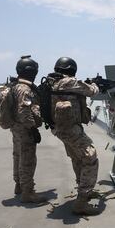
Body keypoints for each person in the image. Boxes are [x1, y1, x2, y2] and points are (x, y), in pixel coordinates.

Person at [50, 57, 100, 215]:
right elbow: (91, 91)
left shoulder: (53, 81)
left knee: (77, 158)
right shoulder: (68, 82)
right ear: (71, 69)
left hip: (60, 127)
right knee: (90, 157)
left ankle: (83, 188)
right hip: (70, 129)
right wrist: (95, 84)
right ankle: (82, 201)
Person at [11, 55, 47, 203]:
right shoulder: (25, 89)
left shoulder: (15, 86)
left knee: (18, 156)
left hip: (16, 128)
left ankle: (19, 185)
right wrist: (33, 129)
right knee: (28, 160)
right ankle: (28, 192)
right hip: (25, 129)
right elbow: (24, 112)